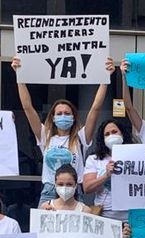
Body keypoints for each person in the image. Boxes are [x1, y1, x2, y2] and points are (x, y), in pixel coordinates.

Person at [11, 56, 115, 206]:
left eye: (67, 113)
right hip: (49, 191)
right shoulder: (45, 136)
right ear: (52, 118)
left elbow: (95, 109)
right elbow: (28, 107)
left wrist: (105, 79)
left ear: (74, 117)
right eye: (59, 114)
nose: (63, 116)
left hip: (74, 191)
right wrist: (19, 76)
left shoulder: (81, 138)